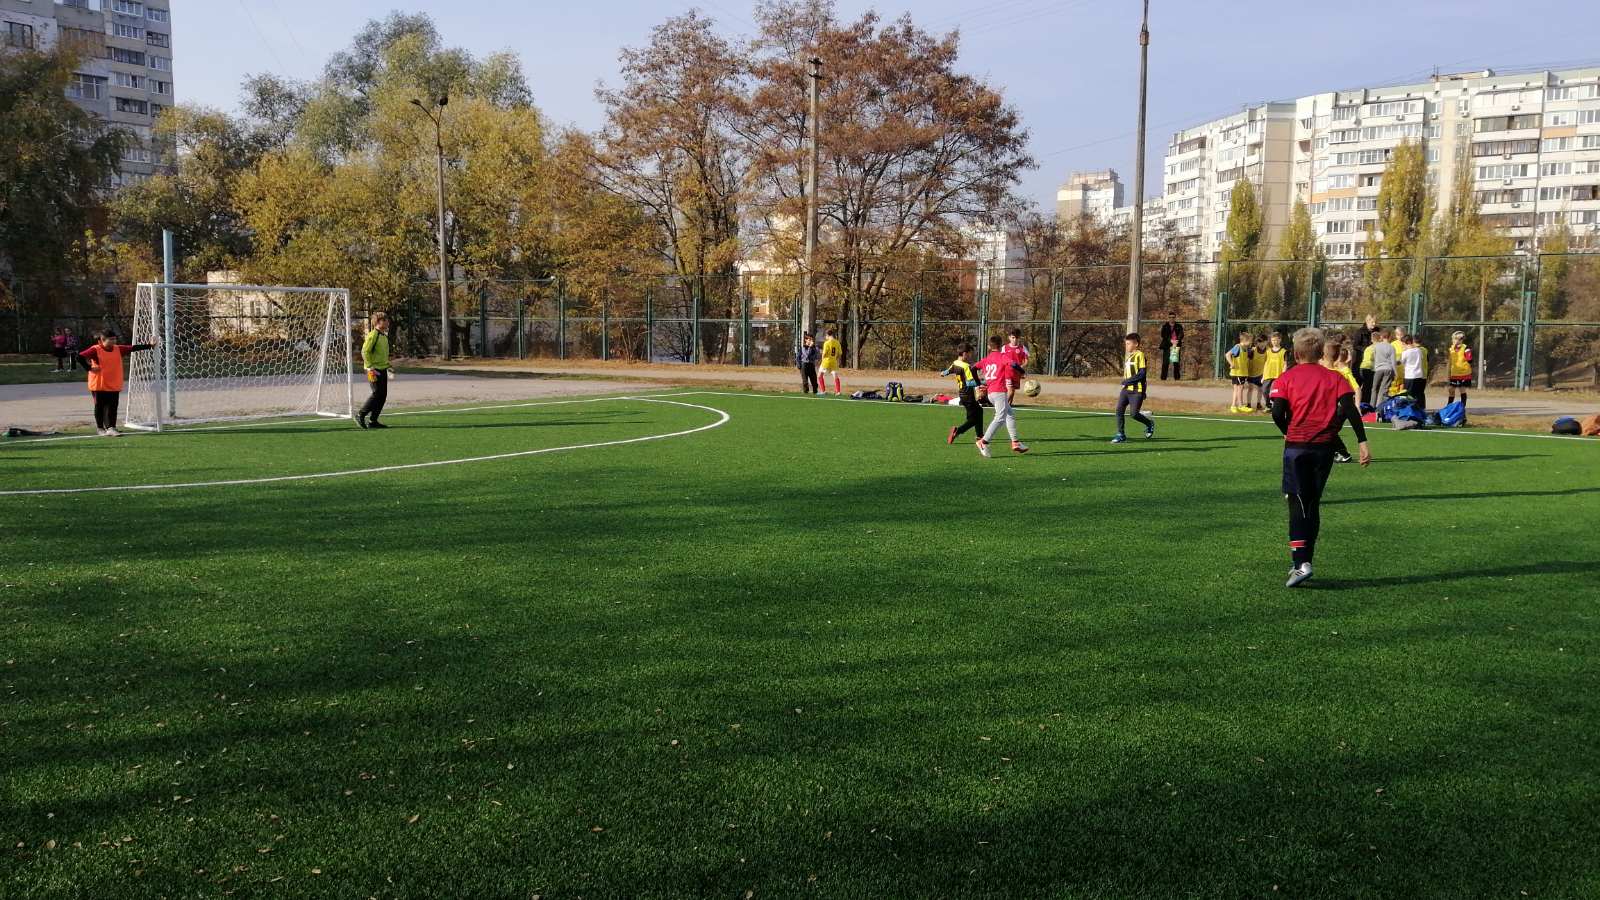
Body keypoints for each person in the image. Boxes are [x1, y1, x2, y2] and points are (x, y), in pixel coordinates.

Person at [1269, 327, 1371, 588]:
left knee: (1297, 502)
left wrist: (1287, 430)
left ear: (1295, 353)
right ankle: (1305, 560)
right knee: (1312, 502)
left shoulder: (1286, 378)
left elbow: (1277, 412)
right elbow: (1350, 409)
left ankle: (1301, 563)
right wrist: (1362, 441)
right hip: (1324, 448)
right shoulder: (1335, 378)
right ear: (1320, 353)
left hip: (1297, 447)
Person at [77, 330, 155, 437]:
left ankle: (111, 428)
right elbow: (79, 357)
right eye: (111, 339)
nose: (114, 341)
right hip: (99, 384)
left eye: (115, 339)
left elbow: (132, 348)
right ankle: (100, 428)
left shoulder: (118, 349)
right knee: (100, 406)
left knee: (112, 407)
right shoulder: (95, 349)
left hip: (113, 384)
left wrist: (149, 345)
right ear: (102, 340)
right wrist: (89, 368)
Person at [975, 335, 1028, 458]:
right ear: (1001, 345)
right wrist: (1022, 371)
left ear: (989, 346)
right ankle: (983, 442)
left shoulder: (986, 359)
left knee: (1010, 414)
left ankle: (1015, 442)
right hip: (999, 391)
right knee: (1000, 418)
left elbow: (973, 368)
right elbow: (1014, 364)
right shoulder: (1002, 356)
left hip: (991, 393)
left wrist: (977, 383)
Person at [1112, 332, 1155, 444]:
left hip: (1136, 390)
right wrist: (1126, 383)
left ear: (1136, 344)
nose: (1126, 346)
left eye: (1128, 343)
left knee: (1134, 414)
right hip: (1126, 390)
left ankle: (1149, 423)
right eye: (1126, 344)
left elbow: (1142, 374)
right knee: (1119, 410)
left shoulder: (1140, 355)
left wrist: (1128, 382)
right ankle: (1121, 434)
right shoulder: (1129, 357)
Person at [940, 342, 985, 445]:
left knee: (979, 411)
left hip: (962, 394)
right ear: (964, 353)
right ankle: (957, 431)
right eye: (969, 354)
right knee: (974, 419)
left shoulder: (955, 363)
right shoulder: (966, 366)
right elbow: (970, 382)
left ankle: (980, 435)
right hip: (968, 395)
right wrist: (981, 385)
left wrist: (943, 373)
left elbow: (948, 371)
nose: (970, 356)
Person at [356, 311, 393, 429]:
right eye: (385, 320)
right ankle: (360, 415)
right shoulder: (373, 335)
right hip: (373, 370)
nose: (387, 322)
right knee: (377, 393)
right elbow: (364, 351)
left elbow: (383, 354)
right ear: (378, 322)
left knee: (383, 395)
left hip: (382, 369)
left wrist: (388, 366)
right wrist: (370, 367)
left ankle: (373, 421)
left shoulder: (384, 336)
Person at [1352, 315, 1379, 406]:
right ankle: (1354, 403)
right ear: (1367, 321)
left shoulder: (1377, 331)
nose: (1374, 324)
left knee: (1369, 385)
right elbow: (1355, 345)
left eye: (1375, 322)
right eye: (1372, 322)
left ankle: (1366, 404)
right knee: (1357, 384)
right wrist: (1367, 349)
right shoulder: (1360, 332)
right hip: (1359, 361)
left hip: (1372, 363)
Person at [1226, 330, 1255, 413]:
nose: (1251, 342)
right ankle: (1240, 405)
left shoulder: (1245, 349)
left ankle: (1234, 406)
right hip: (1238, 373)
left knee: (1237, 389)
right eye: (1250, 340)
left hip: (1242, 373)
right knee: (1240, 388)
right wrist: (1231, 364)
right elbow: (1227, 354)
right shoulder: (1238, 347)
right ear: (1244, 340)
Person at [1447, 331, 1474, 409]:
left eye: (1455, 339)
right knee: (1451, 390)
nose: (1453, 340)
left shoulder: (1465, 348)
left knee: (1462, 389)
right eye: (1453, 339)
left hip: (1464, 373)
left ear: (1460, 340)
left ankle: (1462, 407)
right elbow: (1450, 361)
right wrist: (1448, 374)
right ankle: (1448, 407)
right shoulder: (1451, 349)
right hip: (1454, 373)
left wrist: (1468, 357)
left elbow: (1470, 360)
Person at [1400, 334, 1427, 411]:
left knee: (1409, 394)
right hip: (1419, 375)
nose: (1402, 345)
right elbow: (1421, 358)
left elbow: (1401, 362)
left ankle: (1409, 410)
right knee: (1418, 393)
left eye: (1403, 344)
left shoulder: (1405, 352)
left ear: (1408, 342)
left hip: (1409, 376)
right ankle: (1421, 409)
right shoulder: (1418, 350)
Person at [1370, 329, 1396, 408]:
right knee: (1383, 389)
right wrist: (1395, 373)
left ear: (1381, 336)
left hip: (1378, 369)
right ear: (1390, 337)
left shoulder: (1376, 346)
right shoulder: (1391, 347)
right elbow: (1393, 362)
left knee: (1374, 388)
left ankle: (1372, 406)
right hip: (1388, 369)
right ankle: (1379, 407)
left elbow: (1374, 358)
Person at [1261, 331, 1289, 403]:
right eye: (1273, 340)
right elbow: (1265, 363)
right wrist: (1263, 376)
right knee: (1264, 390)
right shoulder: (1268, 351)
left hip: (1278, 375)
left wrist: (1283, 375)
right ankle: (1268, 404)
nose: (1274, 342)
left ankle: (1273, 404)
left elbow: (1285, 364)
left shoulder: (1284, 351)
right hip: (1268, 374)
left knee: (1274, 391)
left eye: (1276, 340)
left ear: (1280, 340)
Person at [1159, 311, 1184, 380]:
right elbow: (1163, 335)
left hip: (1175, 345)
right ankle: (1163, 378)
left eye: (1173, 317)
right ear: (1168, 318)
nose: (1172, 319)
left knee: (1176, 362)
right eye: (1170, 317)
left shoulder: (1179, 326)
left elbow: (1181, 334)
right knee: (1165, 362)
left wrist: (1177, 340)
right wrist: (1170, 340)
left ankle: (1177, 378)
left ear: (1175, 318)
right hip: (1167, 346)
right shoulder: (1165, 326)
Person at [1248, 332, 1269, 412]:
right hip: (1251, 374)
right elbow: (1248, 361)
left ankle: (1258, 404)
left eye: (1263, 342)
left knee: (1260, 389)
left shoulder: (1268, 351)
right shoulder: (1253, 350)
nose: (1262, 344)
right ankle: (1248, 404)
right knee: (1250, 389)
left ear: (1266, 342)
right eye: (1260, 342)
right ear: (1257, 343)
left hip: (1261, 374)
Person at [819, 328, 843, 397]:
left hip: (826, 361)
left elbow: (824, 353)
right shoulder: (837, 342)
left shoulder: (826, 343)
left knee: (819, 375)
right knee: (835, 376)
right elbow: (840, 353)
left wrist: (822, 360)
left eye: (825, 336)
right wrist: (835, 358)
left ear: (827, 335)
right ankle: (838, 391)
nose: (825, 337)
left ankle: (823, 391)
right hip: (833, 362)